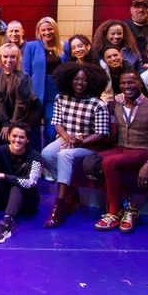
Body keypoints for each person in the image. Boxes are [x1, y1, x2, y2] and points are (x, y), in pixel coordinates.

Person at [89, 72, 148, 234]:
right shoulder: (116, 104)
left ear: (140, 84)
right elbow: (111, 134)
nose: (127, 86)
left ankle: (114, 212)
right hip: (121, 148)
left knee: (110, 162)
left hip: (144, 150)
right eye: (123, 83)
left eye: (131, 82)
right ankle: (127, 207)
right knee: (92, 162)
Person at [39, 62, 111, 228]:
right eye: (76, 79)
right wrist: (67, 138)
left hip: (89, 144)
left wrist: (80, 141)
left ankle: (60, 204)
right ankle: (70, 190)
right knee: (46, 154)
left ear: (91, 82)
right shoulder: (61, 98)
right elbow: (57, 122)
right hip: (67, 138)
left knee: (64, 154)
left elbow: (101, 133)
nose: (80, 83)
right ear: (69, 80)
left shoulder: (97, 103)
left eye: (84, 80)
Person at [0, 124, 43, 243]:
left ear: (27, 140)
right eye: (14, 136)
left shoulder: (35, 156)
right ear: (9, 137)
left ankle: (6, 224)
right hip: (4, 199)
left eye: (22, 137)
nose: (17, 140)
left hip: (26, 201)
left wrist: (3, 176)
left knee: (17, 186)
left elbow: (30, 182)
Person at [22, 16, 66, 145]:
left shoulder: (65, 47)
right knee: (33, 128)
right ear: (39, 32)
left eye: (50, 29)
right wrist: (28, 92)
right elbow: (26, 72)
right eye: (43, 30)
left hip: (56, 94)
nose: (47, 32)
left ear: (55, 30)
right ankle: (34, 155)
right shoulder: (31, 46)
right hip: (35, 94)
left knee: (51, 129)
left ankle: (48, 155)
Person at [0, 43, 40, 142]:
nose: (9, 60)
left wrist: (12, 126)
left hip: (24, 115)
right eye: (5, 56)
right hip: (6, 114)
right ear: (0, 57)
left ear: (18, 59)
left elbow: (20, 104)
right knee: (2, 140)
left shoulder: (23, 78)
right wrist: (5, 122)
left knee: (15, 138)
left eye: (13, 57)